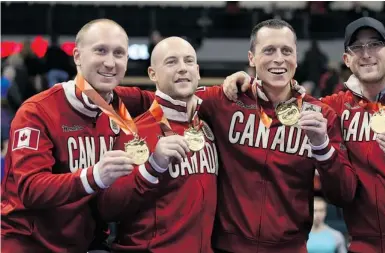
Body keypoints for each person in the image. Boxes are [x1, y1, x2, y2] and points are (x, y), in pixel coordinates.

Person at [222, 17, 385, 253]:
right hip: (363, 246)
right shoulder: (335, 108)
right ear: (346, 59)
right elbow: (286, 98)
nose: (366, 53)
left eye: (375, 44)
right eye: (357, 47)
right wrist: (247, 81)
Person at [1, 19, 162, 253]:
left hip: (86, 244)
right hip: (29, 244)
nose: (110, 62)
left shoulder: (121, 100)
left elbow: (172, 99)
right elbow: (31, 189)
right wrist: (95, 175)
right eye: (100, 51)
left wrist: (226, 90)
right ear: (77, 56)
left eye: (119, 53)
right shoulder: (37, 111)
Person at [196, 19, 357, 253]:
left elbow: (344, 193)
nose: (279, 59)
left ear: (296, 57)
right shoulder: (225, 100)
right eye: (269, 50)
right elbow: (161, 101)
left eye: (286, 51)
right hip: (227, 247)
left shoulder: (320, 115)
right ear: (251, 57)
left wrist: (322, 147)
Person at [97, 37, 218, 253]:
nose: (182, 69)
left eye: (188, 61)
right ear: (152, 74)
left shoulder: (208, 124)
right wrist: (152, 167)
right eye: (171, 62)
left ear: (197, 71)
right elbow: (108, 208)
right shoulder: (135, 133)